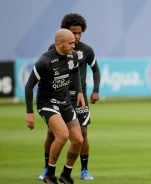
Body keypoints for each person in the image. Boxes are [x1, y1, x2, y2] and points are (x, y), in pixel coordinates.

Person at [38, 13, 101, 181]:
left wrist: (95, 90)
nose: (77, 37)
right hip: (59, 99)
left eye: (79, 33)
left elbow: (96, 69)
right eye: (73, 33)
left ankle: (84, 170)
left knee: (82, 134)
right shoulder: (55, 48)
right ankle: (47, 168)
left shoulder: (86, 50)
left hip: (78, 99)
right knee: (53, 135)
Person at [25, 28, 85, 184]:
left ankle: (66, 174)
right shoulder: (45, 61)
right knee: (63, 135)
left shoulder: (73, 56)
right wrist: (29, 113)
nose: (74, 45)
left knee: (78, 139)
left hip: (65, 103)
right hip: (47, 103)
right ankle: (49, 174)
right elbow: (29, 86)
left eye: (74, 42)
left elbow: (76, 70)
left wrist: (79, 91)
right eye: (70, 43)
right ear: (59, 43)